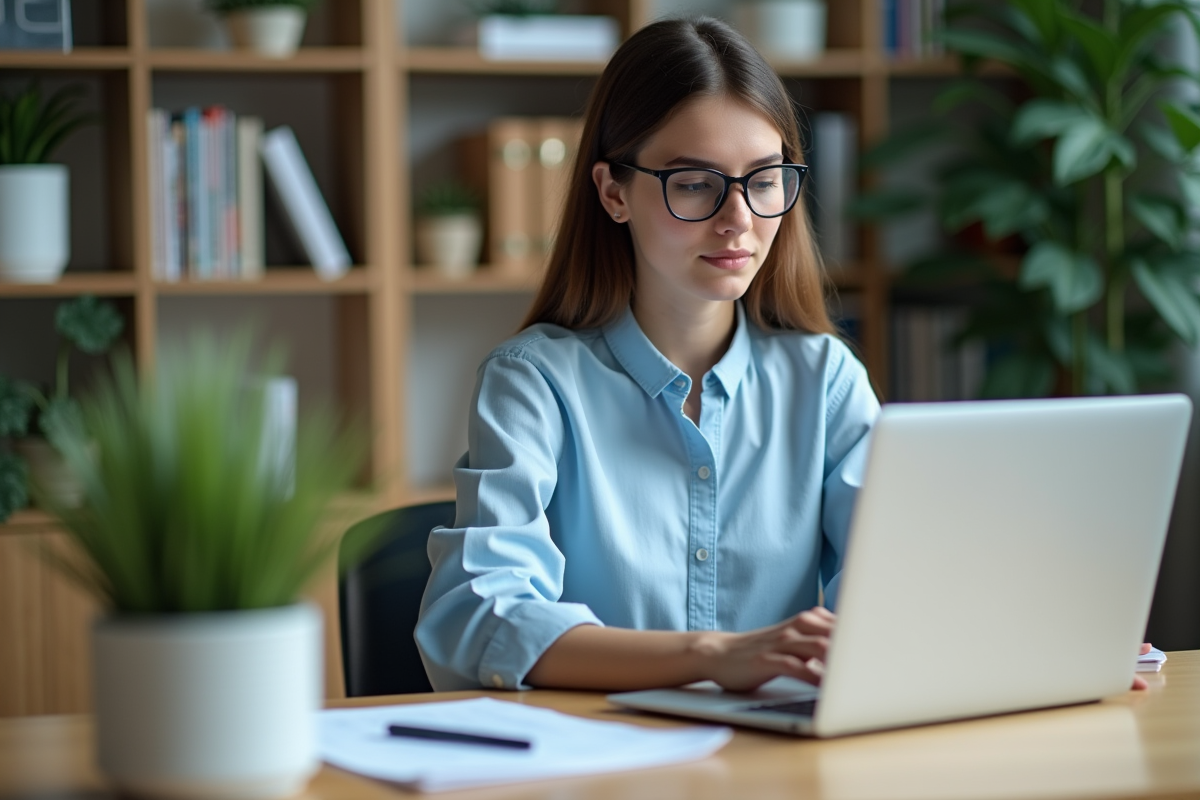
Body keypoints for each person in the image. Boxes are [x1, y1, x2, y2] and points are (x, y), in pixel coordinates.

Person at [414, 16, 1149, 694]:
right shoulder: (536, 382)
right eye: (696, 184)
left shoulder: (824, 379)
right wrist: (712, 656)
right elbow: (479, 614)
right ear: (613, 192)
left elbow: (912, 590)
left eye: (765, 182)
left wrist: (1059, 641)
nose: (739, 221)